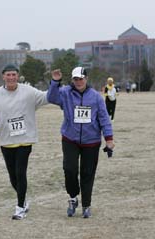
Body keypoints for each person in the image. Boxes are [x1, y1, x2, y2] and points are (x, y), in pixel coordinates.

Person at [0, 64, 49, 220]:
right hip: (6, 140)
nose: (11, 77)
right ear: (3, 76)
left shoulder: (28, 91)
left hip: (25, 139)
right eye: (8, 75)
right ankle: (23, 199)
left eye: (14, 75)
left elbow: (46, 97)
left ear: (18, 76)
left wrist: (55, 84)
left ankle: (19, 208)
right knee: (13, 176)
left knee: (20, 172)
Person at [47, 67, 115, 218]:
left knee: (87, 173)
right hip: (70, 139)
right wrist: (55, 82)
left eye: (81, 79)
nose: (78, 82)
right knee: (69, 169)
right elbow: (51, 97)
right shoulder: (65, 93)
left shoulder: (96, 97)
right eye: (75, 79)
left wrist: (109, 139)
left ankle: (86, 205)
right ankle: (73, 197)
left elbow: (104, 118)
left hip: (91, 141)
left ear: (86, 78)